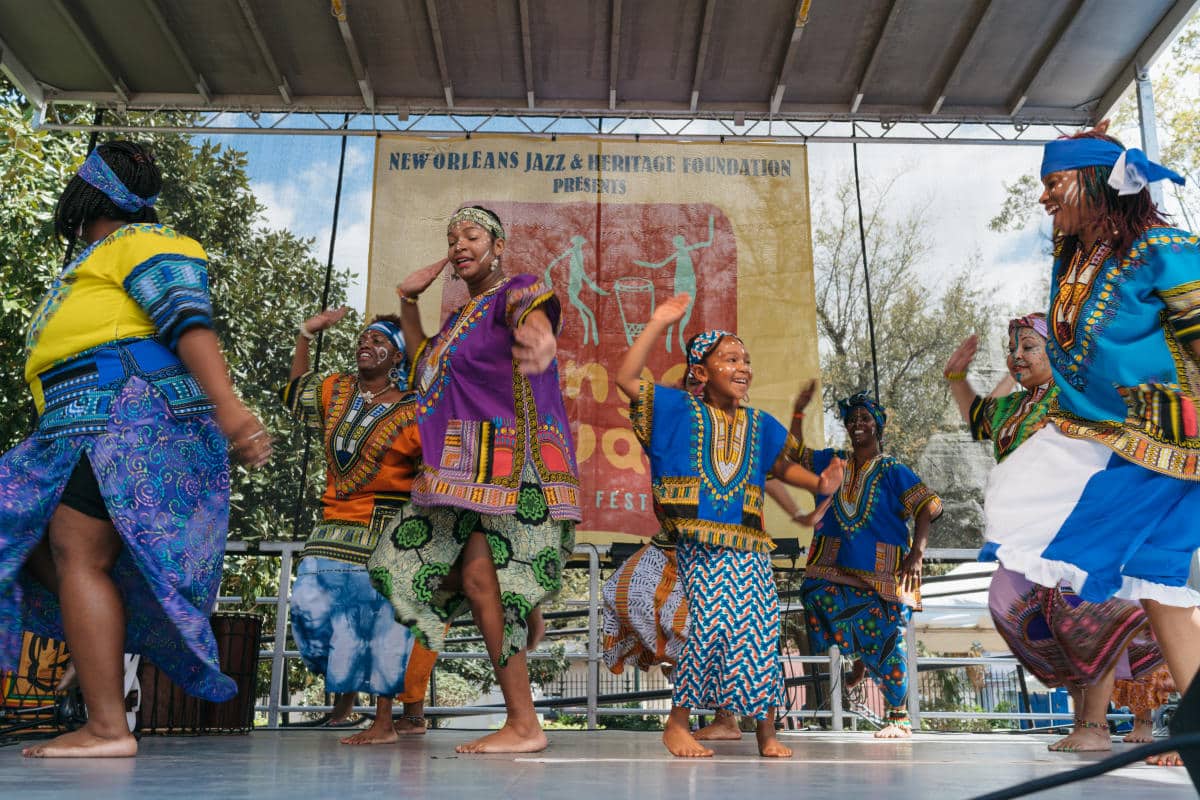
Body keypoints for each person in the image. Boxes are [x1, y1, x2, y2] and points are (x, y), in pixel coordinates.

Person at [0, 141, 272, 758]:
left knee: (75, 549)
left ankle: (106, 726)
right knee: (40, 539)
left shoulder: (146, 242)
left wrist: (230, 409)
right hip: (83, 420)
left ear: (89, 192)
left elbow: (188, 321)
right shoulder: (99, 257)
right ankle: (96, 648)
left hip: (125, 413)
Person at [982, 126, 1200, 767]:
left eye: (1054, 183)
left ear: (1096, 183)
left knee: (1033, 508)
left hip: (1157, 440)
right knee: (1162, 587)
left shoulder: (1166, 249)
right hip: (1103, 437)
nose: (1045, 198)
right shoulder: (1074, 261)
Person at [369, 205, 579, 754]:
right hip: (466, 472)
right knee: (410, 565)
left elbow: (532, 316)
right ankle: (524, 605)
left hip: (517, 463)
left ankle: (524, 724)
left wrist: (541, 340)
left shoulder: (517, 288)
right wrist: (408, 301)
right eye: (451, 237)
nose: (459, 244)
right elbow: (424, 365)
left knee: (487, 582)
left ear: (497, 244)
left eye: (472, 235)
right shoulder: (461, 321)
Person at [615, 293, 844, 759]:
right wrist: (659, 321)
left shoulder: (759, 423)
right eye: (731, 359)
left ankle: (765, 734)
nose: (744, 367)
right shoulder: (677, 409)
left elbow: (781, 468)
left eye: (747, 360)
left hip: (750, 547)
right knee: (709, 625)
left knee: (761, 634)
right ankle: (677, 724)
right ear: (701, 372)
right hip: (700, 545)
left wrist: (820, 482)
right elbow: (624, 378)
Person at [946, 313, 1168, 752]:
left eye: (1029, 346)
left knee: (1083, 616)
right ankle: (1085, 716)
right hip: (1028, 537)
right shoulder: (1013, 407)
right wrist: (957, 375)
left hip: (1075, 527)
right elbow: (977, 418)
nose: (1017, 356)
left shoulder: (1076, 397)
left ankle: (1096, 725)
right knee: (1013, 606)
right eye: (1013, 348)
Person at [283, 307, 437, 744]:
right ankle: (348, 700)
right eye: (362, 339)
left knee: (382, 624)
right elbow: (297, 392)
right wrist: (304, 336)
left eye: (378, 341)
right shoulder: (337, 389)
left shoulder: (414, 410)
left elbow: (437, 467)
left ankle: (384, 721)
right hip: (334, 526)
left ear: (397, 358)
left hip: (389, 526)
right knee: (309, 610)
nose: (365, 345)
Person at [601, 483, 830, 742]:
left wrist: (803, 509)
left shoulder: (747, 456)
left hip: (721, 546)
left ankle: (739, 723)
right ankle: (715, 706)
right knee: (624, 590)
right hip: (673, 544)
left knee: (720, 627)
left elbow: (773, 472)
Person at [796, 388, 942, 738]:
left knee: (886, 635)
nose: (856, 424)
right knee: (815, 593)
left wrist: (917, 554)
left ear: (877, 426)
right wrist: (798, 413)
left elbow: (928, 507)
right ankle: (859, 657)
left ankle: (898, 717)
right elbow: (794, 454)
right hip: (837, 565)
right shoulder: (835, 462)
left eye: (864, 419)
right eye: (851, 420)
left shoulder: (893, 470)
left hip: (886, 569)